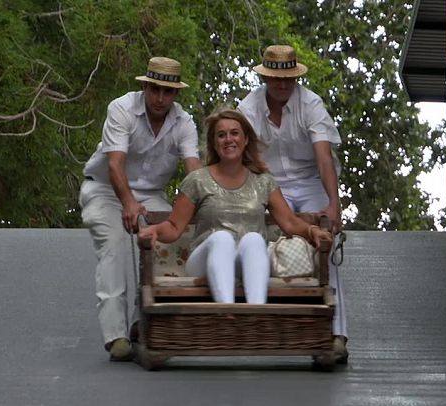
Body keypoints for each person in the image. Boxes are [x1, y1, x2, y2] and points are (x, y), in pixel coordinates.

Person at [138, 109, 332, 305]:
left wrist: (312, 230)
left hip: (246, 261)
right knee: (222, 239)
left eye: (234, 133)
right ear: (214, 143)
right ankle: (226, 311)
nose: (228, 139)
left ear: (245, 139)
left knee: (254, 239)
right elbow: (174, 227)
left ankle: (255, 312)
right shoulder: (197, 180)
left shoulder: (263, 181)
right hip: (204, 261)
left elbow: (289, 222)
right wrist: (155, 230)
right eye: (221, 135)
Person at [80, 57, 201, 361]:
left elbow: (194, 172)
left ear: (176, 93)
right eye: (155, 89)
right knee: (115, 246)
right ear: (145, 87)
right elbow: (115, 164)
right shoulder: (121, 108)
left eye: (167, 92)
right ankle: (116, 336)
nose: (160, 98)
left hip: (152, 196)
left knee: (171, 241)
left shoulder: (184, 123)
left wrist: (200, 208)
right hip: (106, 189)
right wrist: (128, 202)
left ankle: (143, 323)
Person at [237, 44, 349, 361]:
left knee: (324, 245)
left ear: (296, 78)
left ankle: (336, 334)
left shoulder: (311, 104)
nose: (282, 84)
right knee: (261, 240)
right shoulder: (249, 107)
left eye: (288, 78)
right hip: (271, 183)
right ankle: (270, 328)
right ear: (265, 78)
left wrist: (333, 203)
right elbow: (243, 156)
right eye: (276, 78)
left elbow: (324, 158)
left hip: (310, 180)